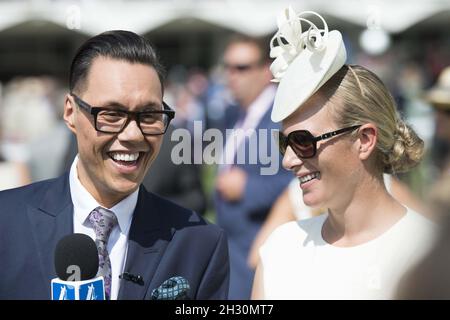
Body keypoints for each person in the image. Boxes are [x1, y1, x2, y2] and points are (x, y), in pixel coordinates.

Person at [0, 30, 229, 300]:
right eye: (111, 114)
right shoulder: (7, 222)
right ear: (71, 112)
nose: (133, 135)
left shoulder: (199, 244)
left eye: (149, 115)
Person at [251, 9, 437, 299]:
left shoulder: (427, 254)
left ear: (364, 139)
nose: (288, 160)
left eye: (303, 141)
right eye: (284, 143)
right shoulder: (279, 250)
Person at [214, 34, 291, 299]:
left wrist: (247, 188)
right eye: (228, 67)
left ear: (265, 70)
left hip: (261, 244)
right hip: (231, 247)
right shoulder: (235, 114)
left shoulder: (282, 116)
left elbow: (298, 180)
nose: (232, 75)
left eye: (242, 68)